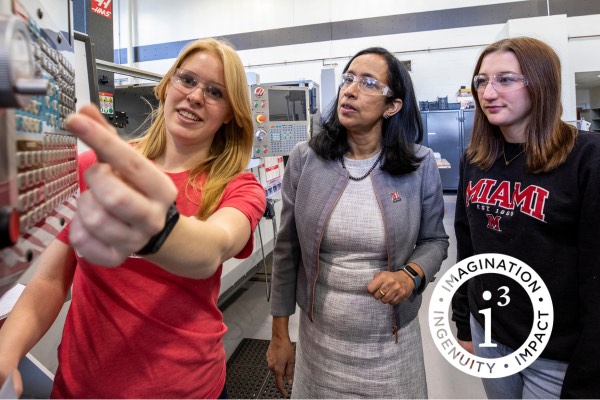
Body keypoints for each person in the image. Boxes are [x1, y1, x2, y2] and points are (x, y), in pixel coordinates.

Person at [0, 38, 266, 398]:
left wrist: (156, 231)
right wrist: (5, 356)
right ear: (167, 85)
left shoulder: (239, 187)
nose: (196, 96)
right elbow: (49, 282)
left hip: (183, 388)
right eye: (187, 80)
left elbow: (211, 250)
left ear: (231, 112)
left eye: (215, 92)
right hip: (81, 387)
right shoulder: (96, 168)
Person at [266, 46, 449, 398]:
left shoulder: (418, 164)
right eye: (348, 79)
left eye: (368, 83)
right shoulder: (306, 158)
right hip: (319, 344)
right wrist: (279, 335)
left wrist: (410, 275)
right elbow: (286, 251)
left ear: (392, 106)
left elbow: (435, 241)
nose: (349, 90)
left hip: (390, 348)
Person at [452, 36, 600, 399]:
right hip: (490, 332)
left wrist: (589, 370)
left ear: (541, 83)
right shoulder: (476, 158)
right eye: (482, 81)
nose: (488, 93)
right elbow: (468, 242)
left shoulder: (586, 157)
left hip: (556, 353)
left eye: (505, 79)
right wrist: (464, 320)